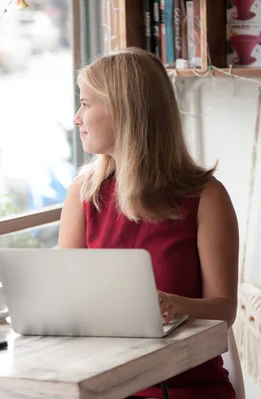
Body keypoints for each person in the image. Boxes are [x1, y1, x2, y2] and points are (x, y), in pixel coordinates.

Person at [58, 48, 239, 399]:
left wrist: (174, 303)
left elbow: (223, 310)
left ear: (124, 111)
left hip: (187, 386)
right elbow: (65, 302)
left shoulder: (207, 197)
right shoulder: (83, 193)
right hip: (103, 385)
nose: (77, 118)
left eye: (86, 104)